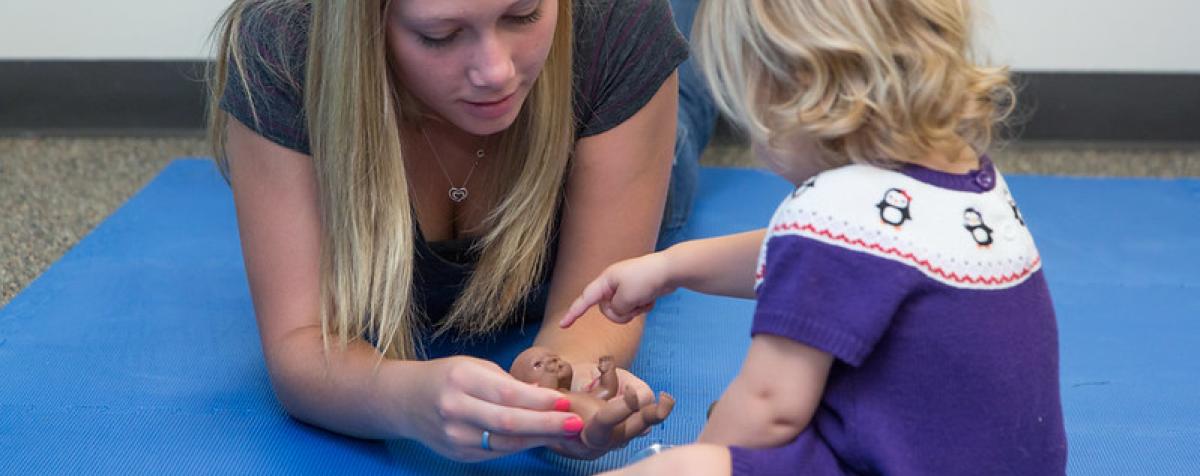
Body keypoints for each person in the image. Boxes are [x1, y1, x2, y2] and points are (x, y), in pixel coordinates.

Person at [560, 0, 1068, 473]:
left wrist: (704, 453)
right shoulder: (964, 182)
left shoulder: (834, 212)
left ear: (792, 94)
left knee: (693, 461)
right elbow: (802, 258)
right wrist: (672, 266)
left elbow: (771, 408)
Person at [206, 0, 712, 462]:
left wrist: (568, 386)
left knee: (691, 93)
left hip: (628, 143)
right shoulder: (284, 44)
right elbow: (302, 343)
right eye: (441, 35)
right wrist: (404, 400)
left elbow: (591, 315)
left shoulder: (615, 20)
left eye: (524, 15)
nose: (496, 72)